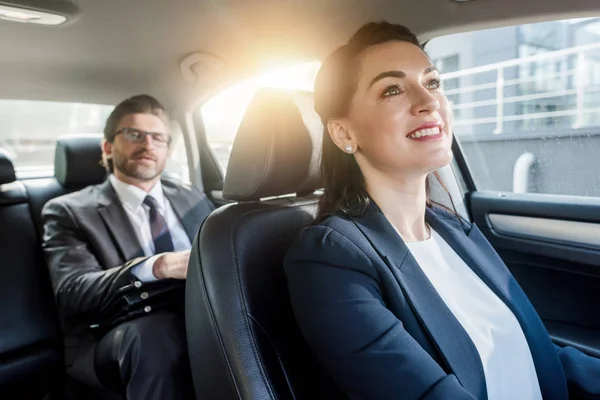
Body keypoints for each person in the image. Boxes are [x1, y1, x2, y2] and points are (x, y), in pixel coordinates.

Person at [283, 22, 600, 400]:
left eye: (432, 82)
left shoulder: (454, 229)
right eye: (393, 89)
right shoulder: (329, 257)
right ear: (344, 134)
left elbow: (534, 354)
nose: (429, 101)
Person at [43, 94, 214, 399]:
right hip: (114, 333)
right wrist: (157, 267)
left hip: (198, 316)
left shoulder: (192, 198)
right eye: (134, 135)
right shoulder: (68, 211)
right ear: (108, 147)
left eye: (158, 137)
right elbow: (73, 290)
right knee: (155, 334)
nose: (148, 145)